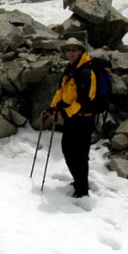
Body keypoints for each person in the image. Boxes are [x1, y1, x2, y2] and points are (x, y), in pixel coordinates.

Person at [46, 39, 107, 198]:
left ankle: (82, 189)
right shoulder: (71, 68)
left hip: (84, 119)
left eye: (74, 50)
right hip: (72, 117)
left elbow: (85, 100)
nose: (71, 53)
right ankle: (78, 181)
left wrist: (65, 113)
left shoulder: (86, 72)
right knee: (68, 150)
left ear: (81, 51)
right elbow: (62, 90)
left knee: (79, 154)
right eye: (68, 50)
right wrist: (52, 107)